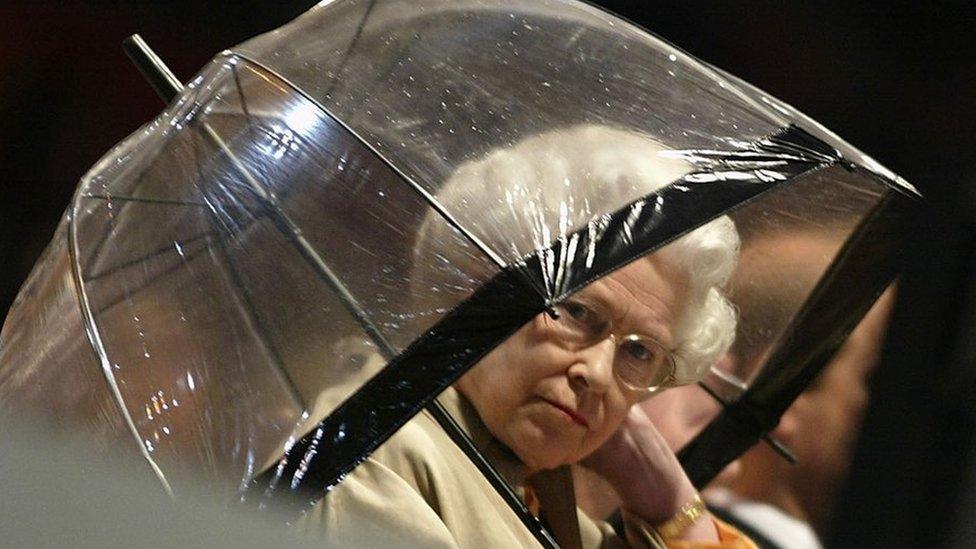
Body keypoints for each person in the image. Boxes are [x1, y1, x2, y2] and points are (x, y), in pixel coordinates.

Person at [295, 125, 755, 547]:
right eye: (577, 312)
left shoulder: (532, 491)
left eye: (639, 351)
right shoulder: (373, 454)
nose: (596, 372)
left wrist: (669, 502)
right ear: (476, 285)